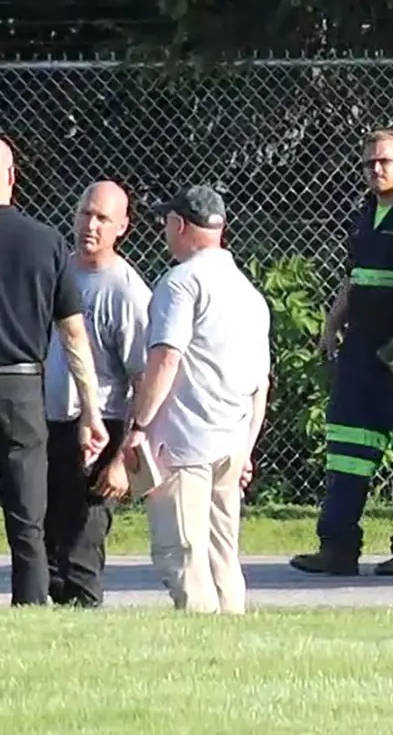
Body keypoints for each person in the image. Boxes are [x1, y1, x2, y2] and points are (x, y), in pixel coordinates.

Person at [292, 128, 393, 578]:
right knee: (346, 448)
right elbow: (357, 276)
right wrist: (332, 323)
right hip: (363, 350)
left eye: (384, 162)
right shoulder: (365, 212)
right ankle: (337, 548)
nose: (376, 170)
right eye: (369, 163)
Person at [0, 136, 107, 606]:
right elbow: (74, 336)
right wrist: (92, 411)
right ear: (12, 177)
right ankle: (32, 604)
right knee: (28, 517)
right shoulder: (47, 242)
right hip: (24, 388)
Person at [123, 184, 271, 615]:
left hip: (185, 443)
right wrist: (246, 449)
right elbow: (260, 383)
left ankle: (202, 643)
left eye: (168, 222)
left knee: (183, 554)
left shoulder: (181, 283)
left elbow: (167, 357)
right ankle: (233, 647)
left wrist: (139, 427)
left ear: (180, 224)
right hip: (230, 442)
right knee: (223, 558)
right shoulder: (249, 293)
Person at [42, 180, 152, 607]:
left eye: (103, 218)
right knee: (44, 547)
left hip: (99, 430)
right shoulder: (55, 271)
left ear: (122, 226)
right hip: (46, 422)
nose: (90, 225)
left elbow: (143, 382)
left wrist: (124, 459)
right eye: (85, 213)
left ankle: (85, 621)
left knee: (81, 549)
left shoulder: (126, 292)